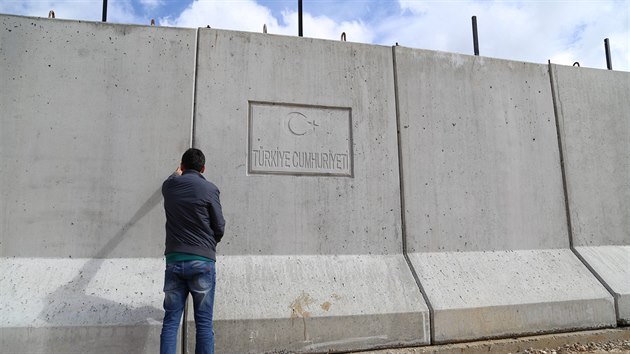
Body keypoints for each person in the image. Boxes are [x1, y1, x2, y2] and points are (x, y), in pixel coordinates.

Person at [159, 148, 225, 354]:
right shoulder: (210, 189)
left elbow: (172, 177)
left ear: (183, 166)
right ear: (203, 168)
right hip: (202, 261)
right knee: (204, 323)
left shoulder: (169, 187)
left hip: (175, 260)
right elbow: (220, 226)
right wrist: (208, 246)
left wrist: (177, 171)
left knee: (171, 322)